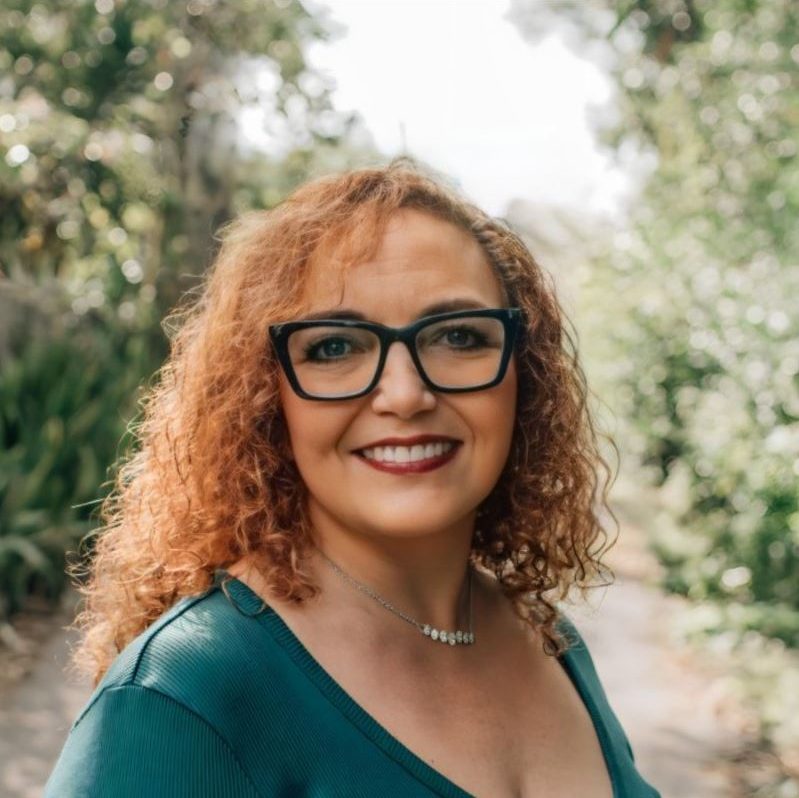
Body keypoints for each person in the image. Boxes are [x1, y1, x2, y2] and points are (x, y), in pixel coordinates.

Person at [45, 161, 661, 797]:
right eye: (335, 346)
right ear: (264, 395)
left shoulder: (550, 640)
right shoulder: (180, 698)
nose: (406, 394)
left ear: (522, 374)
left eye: (457, 335)